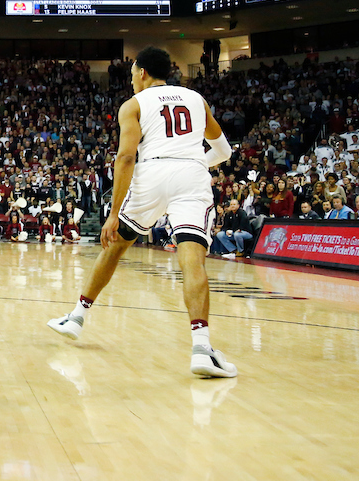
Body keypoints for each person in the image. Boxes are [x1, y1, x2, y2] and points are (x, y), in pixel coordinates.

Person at [47, 46, 238, 378]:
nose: (132, 78)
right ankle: (202, 348)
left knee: (117, 244)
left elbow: (125, 158)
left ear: (143, 72)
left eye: (133, 72)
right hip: (191, 177)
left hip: (152, 174)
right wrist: (192, 164)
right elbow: (223, 151)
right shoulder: (197, 100)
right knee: (192, 259)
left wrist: (112, 212)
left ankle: (77, 316)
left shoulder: (133, 105)